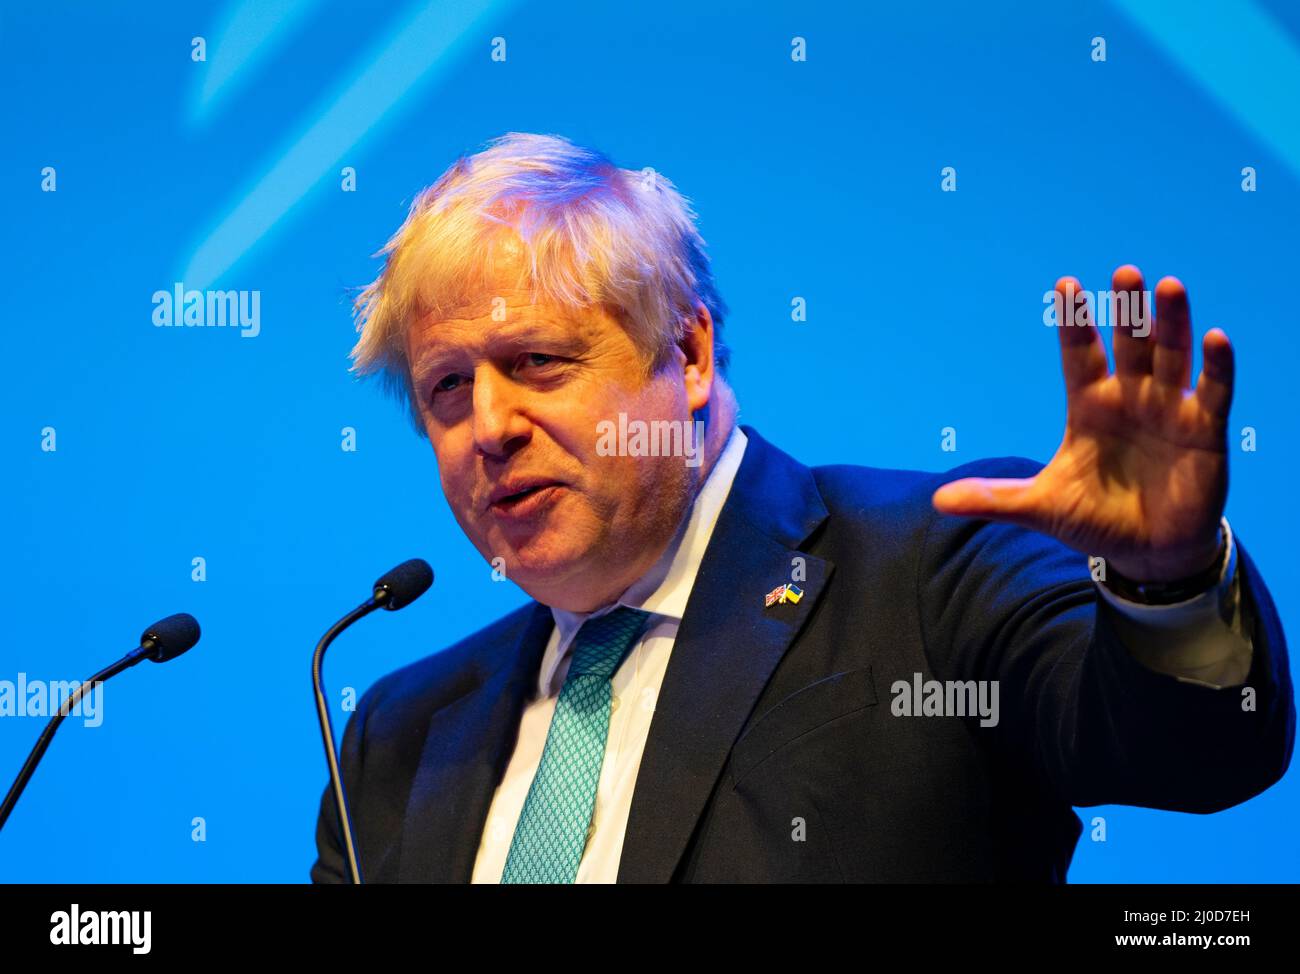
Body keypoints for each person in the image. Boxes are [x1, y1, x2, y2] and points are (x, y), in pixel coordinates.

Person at [310, 132, 1292, 883]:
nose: (489, 425)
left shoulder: (931, 562)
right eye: (446, 388)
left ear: (686, 355)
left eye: (537, 363)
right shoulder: (396, 730)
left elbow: (1195, 754)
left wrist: (1167, 582)